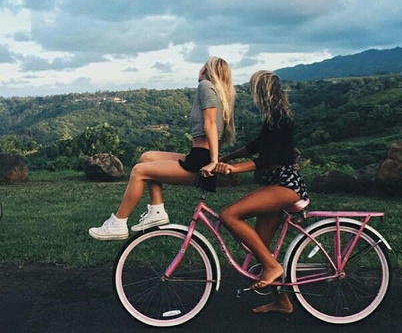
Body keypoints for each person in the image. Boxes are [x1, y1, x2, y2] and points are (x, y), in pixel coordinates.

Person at [89, 56, 235, 240]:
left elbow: (210, 123)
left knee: (139, 171)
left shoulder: (205, 86)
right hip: (198, 155)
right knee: (147, 157)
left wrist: (214, 161)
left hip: (201, 160)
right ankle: (157, 211)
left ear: (206, 70)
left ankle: (118, 223)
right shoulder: (219, 94)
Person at [213, 70, 308, 314]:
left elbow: (266, 158)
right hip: (277, 183)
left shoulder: (279, 119)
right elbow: (255, 147)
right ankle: (283, 302)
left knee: (229, 215)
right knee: (261, 248)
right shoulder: (274, 118)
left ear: (262, 91)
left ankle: (273, 268)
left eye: (255, 89)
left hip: (286, 185)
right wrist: (225, 157)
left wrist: (234, 169)